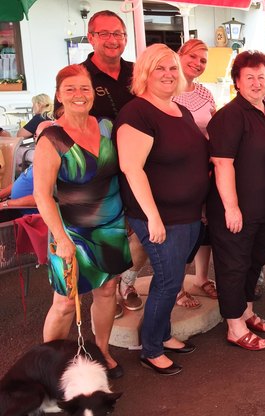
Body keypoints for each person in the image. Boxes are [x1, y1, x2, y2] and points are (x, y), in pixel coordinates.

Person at [33, 64, 131, 380]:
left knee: (107, 290)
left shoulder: (105, 125)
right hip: (70, 232)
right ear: (59, 95)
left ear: (93, 92)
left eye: (85, 88)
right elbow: (42, 195)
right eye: (71, 89)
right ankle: (51, 363)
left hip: (111, 226)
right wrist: (61, 239)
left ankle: (101, 350)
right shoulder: (50, 138)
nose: (79, 95)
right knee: (64, 302)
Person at [115, 44, 209, 375]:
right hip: (158, 217)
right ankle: (151, 348)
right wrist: (153, 216)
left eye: (172, 68)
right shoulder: (137, 113)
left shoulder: (179, 110)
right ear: (144, 74)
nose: (168, 74)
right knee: (168, 281)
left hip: (187, 214)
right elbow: (132, 168)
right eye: (160, 69)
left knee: (171, 279)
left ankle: (164, 334)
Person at [206, 51, 265, 352]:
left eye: (261, 76)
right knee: (233, 266)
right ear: (237, 81)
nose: (256, 82)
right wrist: (231, 207)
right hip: (236, 209)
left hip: (264, 207)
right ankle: (234, 326)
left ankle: (246, 310)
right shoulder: (229, 116)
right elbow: (223, 164)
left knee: (254, 261)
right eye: (249, 77)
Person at [82, 10, 143, 316]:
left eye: (117, 33)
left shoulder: (137, 72)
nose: (111, 40)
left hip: (141, 169)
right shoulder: (79, 76)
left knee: (142, 229)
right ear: (90, 37)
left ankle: (126, 283)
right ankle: (106, 294)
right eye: (103, 34)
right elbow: (63, 120)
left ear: (125, 38)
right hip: (100, 173)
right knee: (107, 236)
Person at [173, 38, 218, 309]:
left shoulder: (205, 93)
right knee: (182, 229)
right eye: (192, 57)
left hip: (205, 166)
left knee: (206, 226)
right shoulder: (166, 89)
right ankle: (176, 287)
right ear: (179, 55)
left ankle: (201, 277)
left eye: (202, 60)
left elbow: (213, 126)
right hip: (177, 169)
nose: (197, 64)